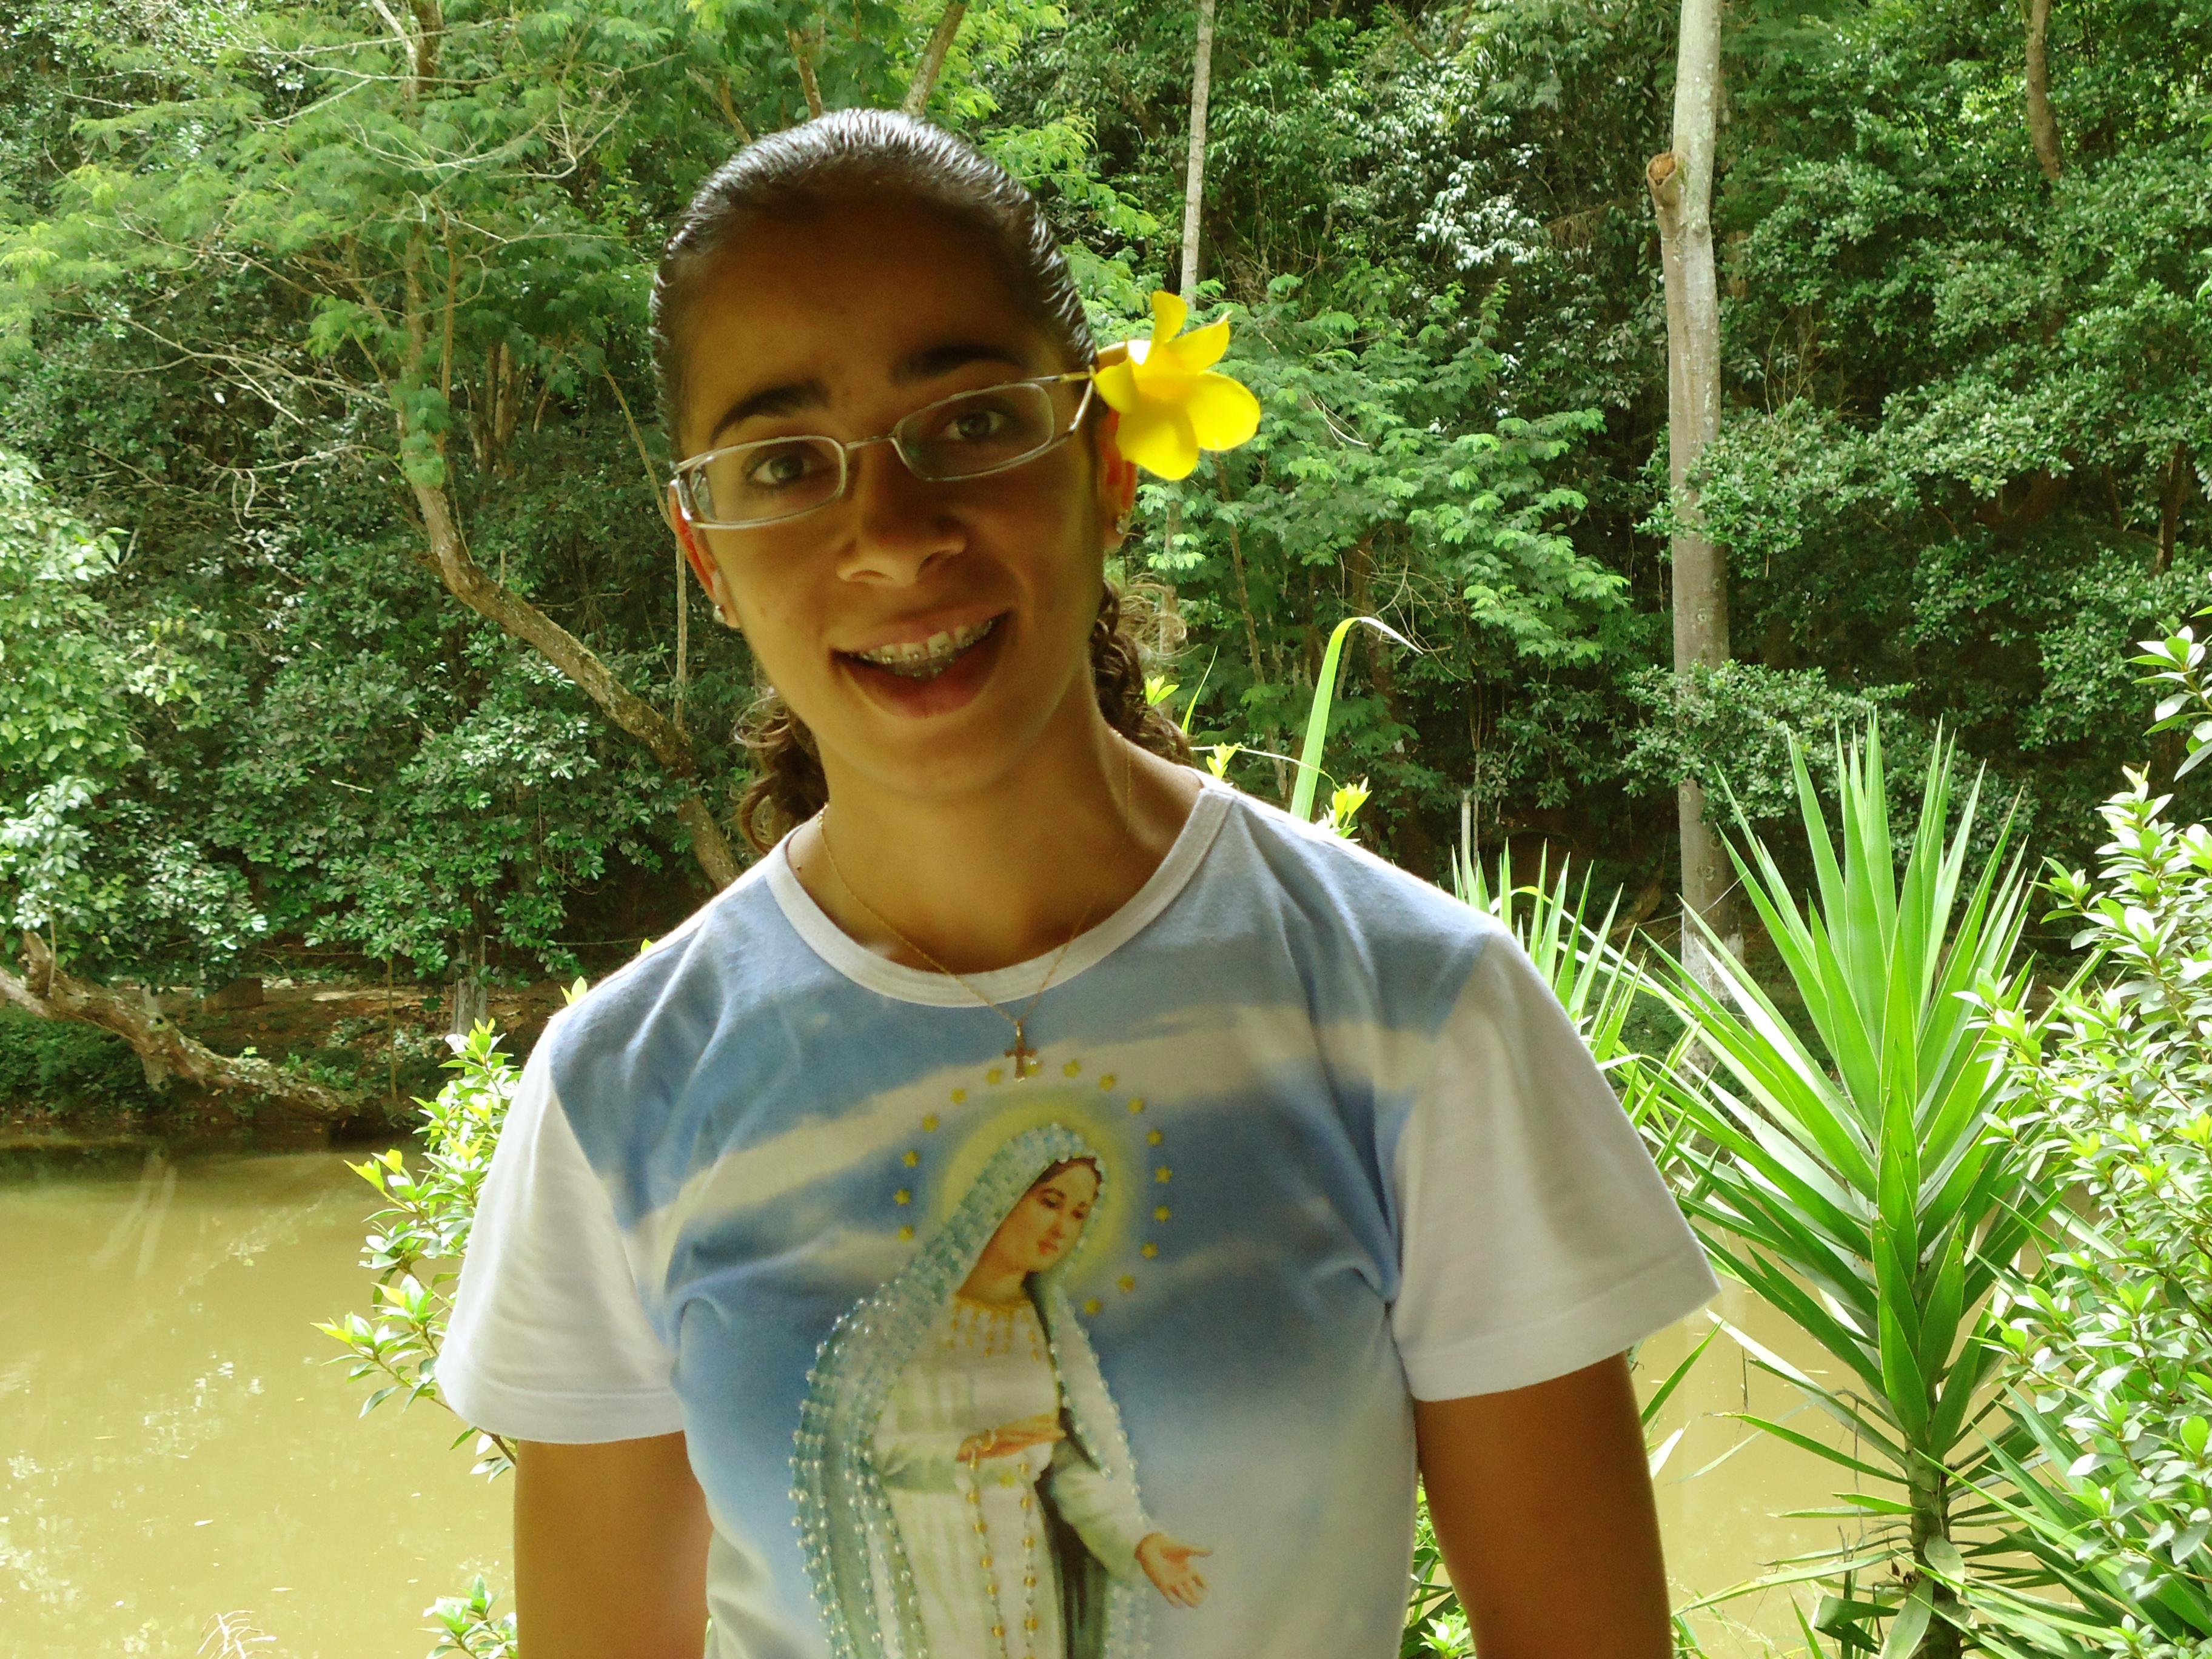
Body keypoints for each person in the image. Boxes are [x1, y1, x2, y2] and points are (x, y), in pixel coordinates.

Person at [438, 108, 1720, 1659]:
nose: (892, 534)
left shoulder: (1416, 1015)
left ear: (1103, 463)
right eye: (783, 464)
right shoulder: (622, 1099)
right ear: (706, 552)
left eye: (971, 420)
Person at [797, 1124, 1207, 1659]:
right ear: (1005, 1195)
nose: (1062, 1227)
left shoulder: (1050, 1331)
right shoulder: (900, 1324)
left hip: (1026, 1574)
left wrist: (1139, 1540)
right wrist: (970, 1449)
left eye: (1079, 1215)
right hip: (931, 1560)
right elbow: (858, 1451)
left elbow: (1067, 1469)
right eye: (1051, 1202)